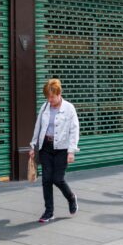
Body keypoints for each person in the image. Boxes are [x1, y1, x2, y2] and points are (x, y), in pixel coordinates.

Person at [29, 78, 80, 223]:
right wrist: (33, 146)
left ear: (59, 93)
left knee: (57, 179)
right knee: (46, 180)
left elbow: (74, 130)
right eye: (48, 97)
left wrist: (71, 151)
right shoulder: (45, 107)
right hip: (46, 147)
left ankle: (71, 197)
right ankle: (48, 212)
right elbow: (38, 127)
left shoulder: (69, 108)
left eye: (52, 96)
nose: (49, 100)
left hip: (62, 148)